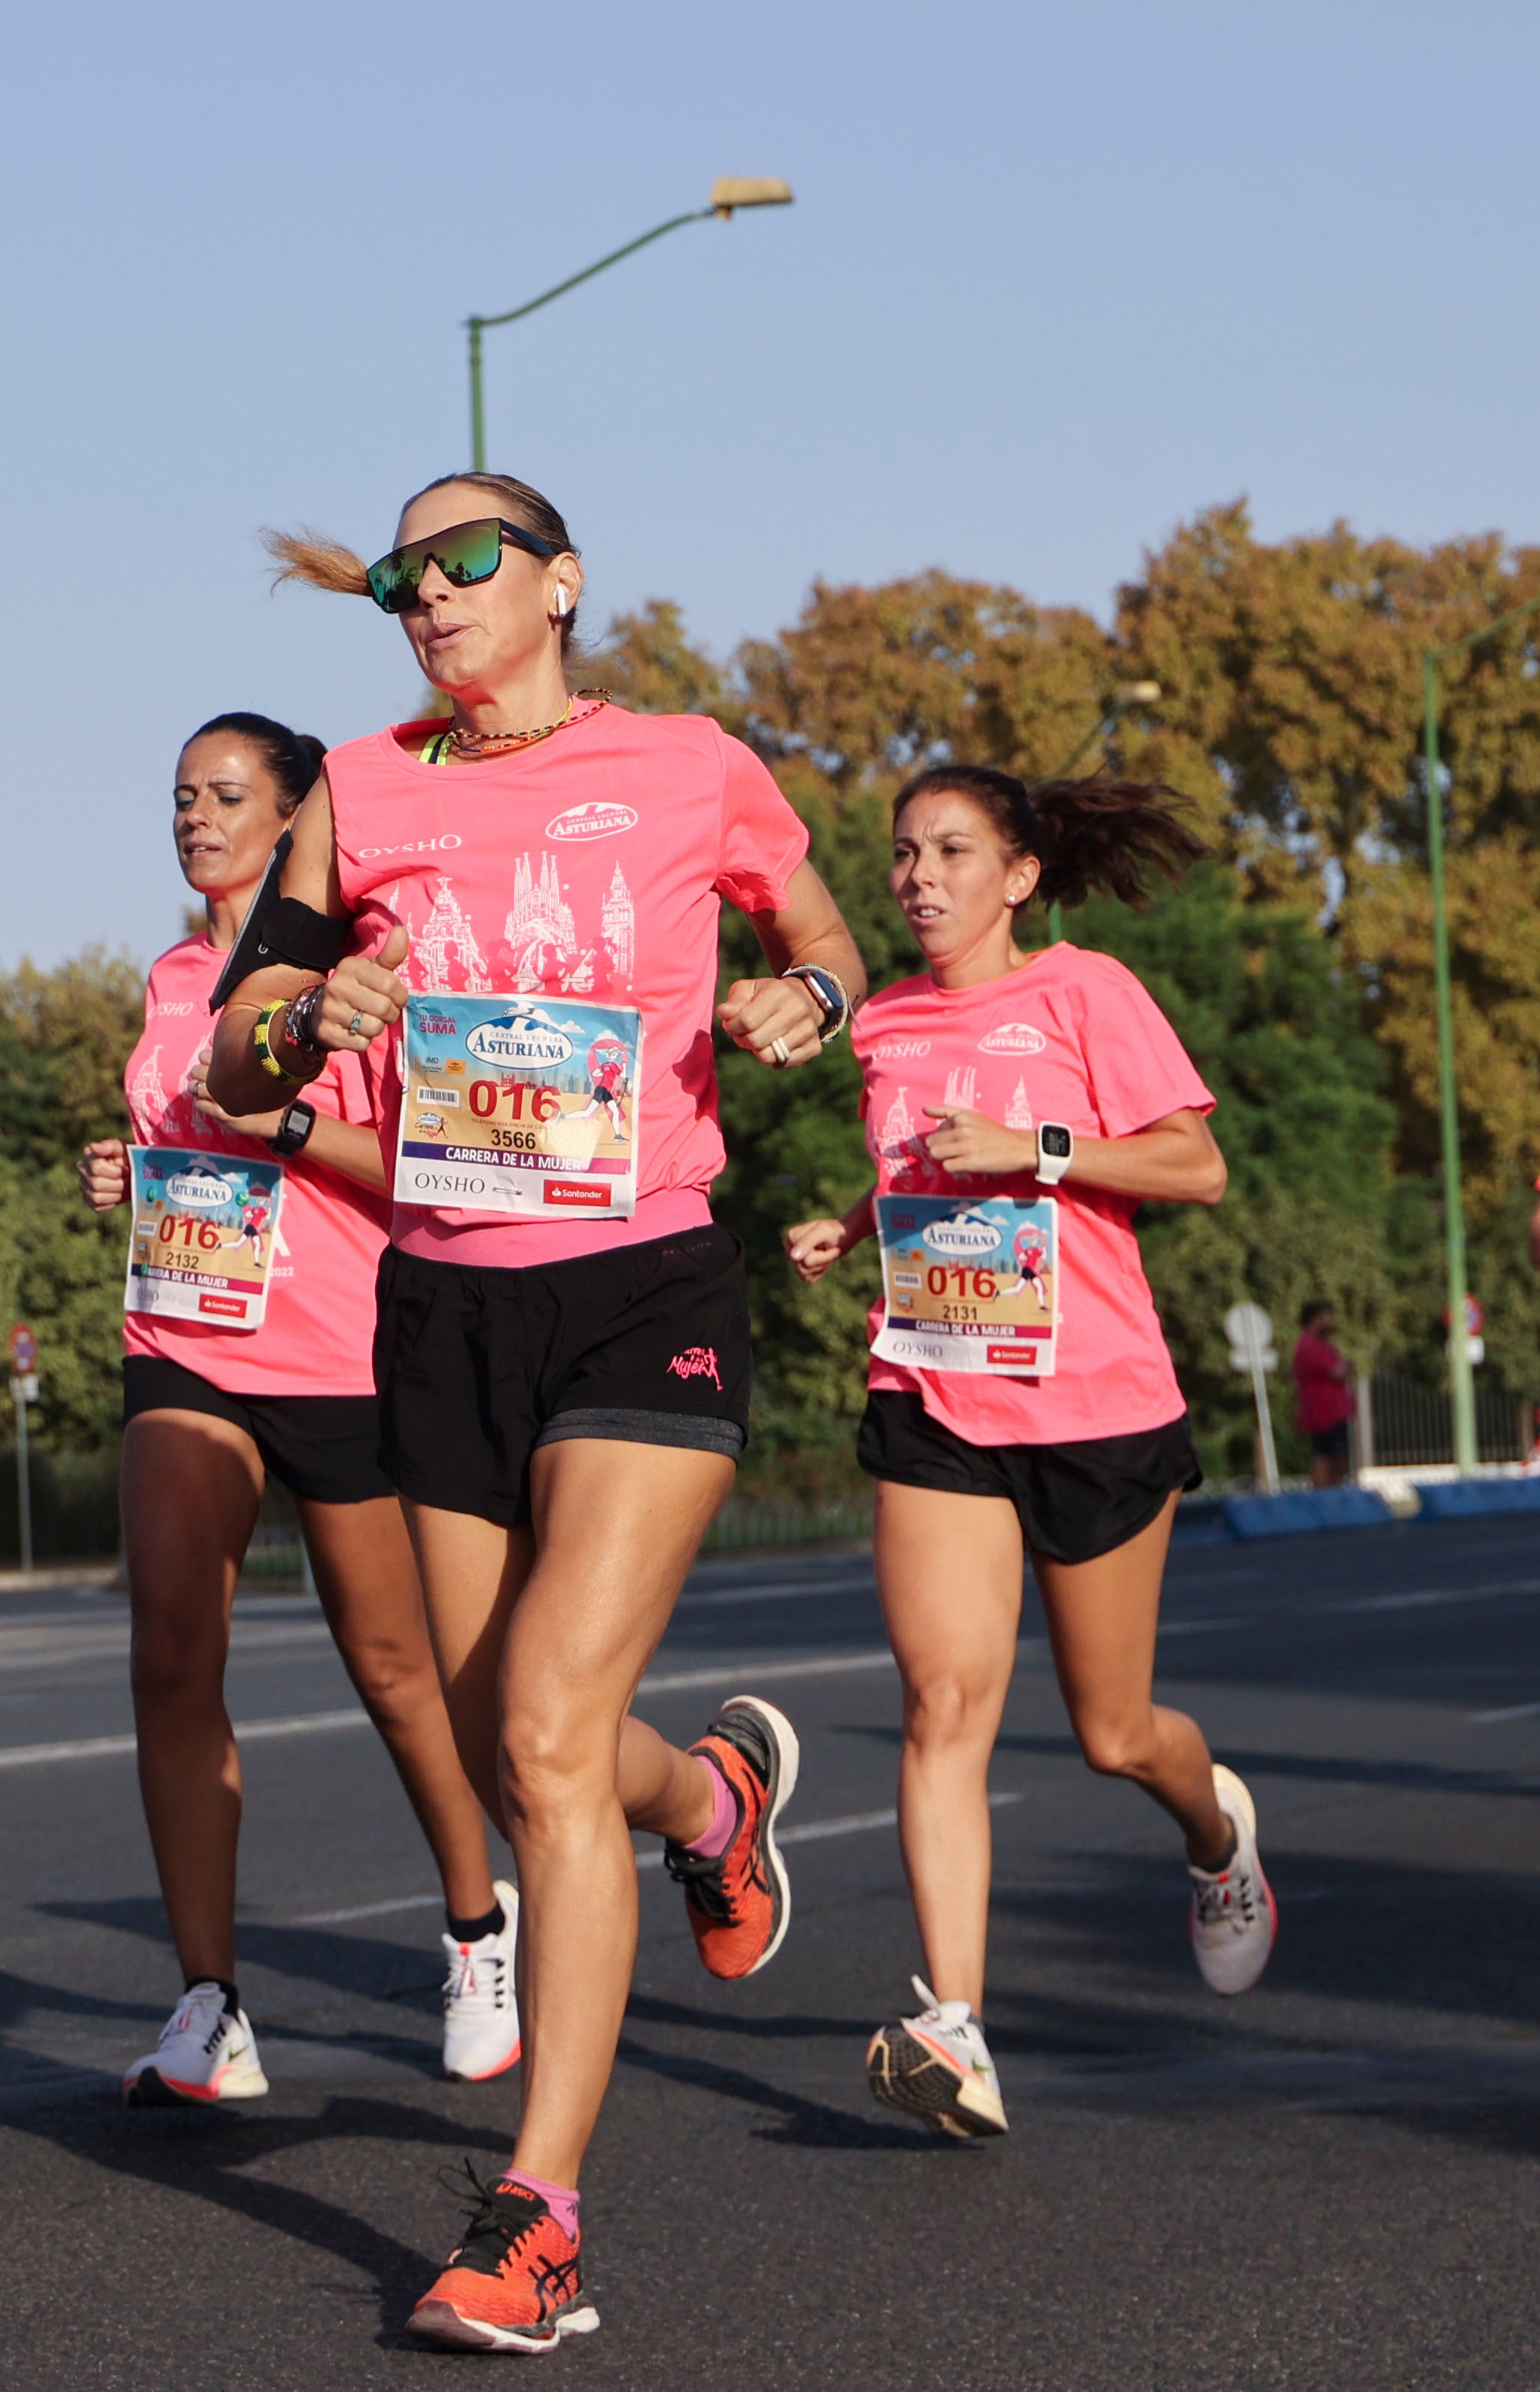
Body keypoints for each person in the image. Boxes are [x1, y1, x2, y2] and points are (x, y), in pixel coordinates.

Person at [208, 474, 867, 2354]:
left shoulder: (682, 763)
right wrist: (312, 1006)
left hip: (643, 1284)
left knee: (554, 1728)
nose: (430, 590)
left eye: (467, 558)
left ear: (558, 582)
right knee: (528, 1746)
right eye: (405, 572)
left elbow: (824, 937)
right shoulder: (360, 784)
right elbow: (235, 1049)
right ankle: (719, 1795)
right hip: (444, 1297)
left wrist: (800, 1002)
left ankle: (541, 2206)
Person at [783, 764, 1276, 2143]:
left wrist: (1039, 1146)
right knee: (943, 1704)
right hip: (934, 1390)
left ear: (1017, 874)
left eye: (949, 850)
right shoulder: (878, 1021)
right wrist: (848, 1218)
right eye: (899, 853)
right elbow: (919, 1167)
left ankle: (1217, 1839)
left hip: (1095, 1403)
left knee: (1114, 1731)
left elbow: (1191, 1165)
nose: (916, 876)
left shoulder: (1084, 990)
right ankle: (955, 2022)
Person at [77, 711, 517, 2109]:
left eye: (224, 795)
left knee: (397, 1669)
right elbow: (179, 1137)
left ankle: (474, 1929)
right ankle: (207, 2004)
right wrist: (130, 1171)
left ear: (296, 823)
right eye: (178, 796)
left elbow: (430, 1164)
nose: (194, 818)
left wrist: (272, 1123)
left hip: (340, 1352)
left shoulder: (363, 972)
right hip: (184, 1337)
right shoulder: (165, 979)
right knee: (167, 1645)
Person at [1293, 1301, 1355, 1488]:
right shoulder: (1311, 1346)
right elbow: (1337, 1371)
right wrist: (1348, 1364)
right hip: (1324, 1413)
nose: (1330, 1322)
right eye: (1325, 1317)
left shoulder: (1319, 1346)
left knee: (1337, 1457)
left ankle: (1331, 1491)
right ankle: (1324, 1494)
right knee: (1327, 1456)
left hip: (1331, 1412)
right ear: (1315, 1319)